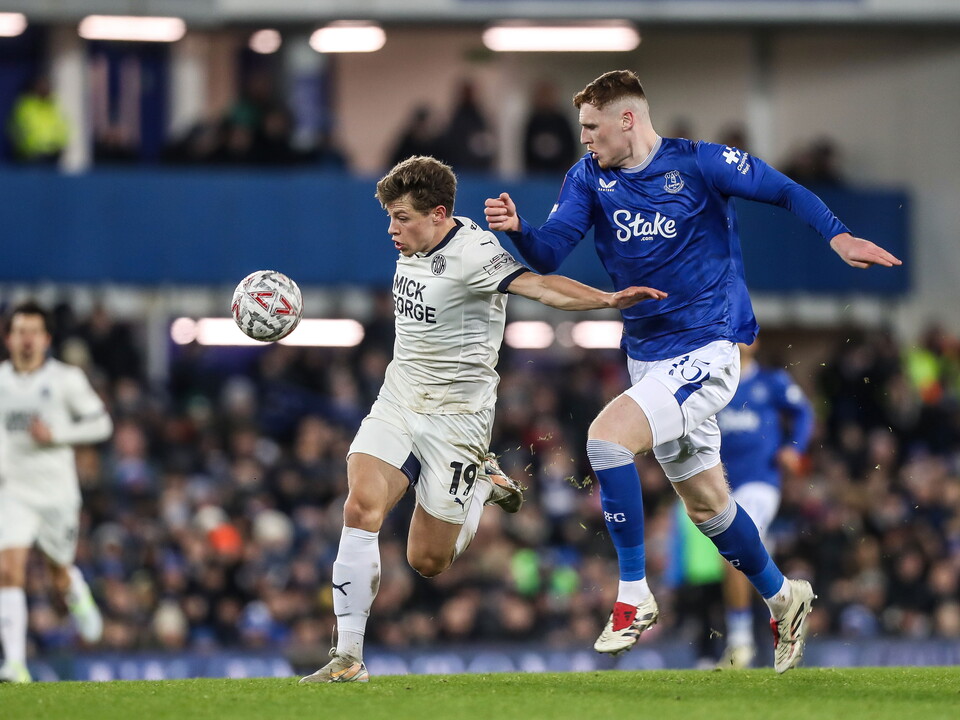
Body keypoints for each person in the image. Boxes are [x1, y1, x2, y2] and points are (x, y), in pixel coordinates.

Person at [484, 69, 901, 674]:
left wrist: (838, 236)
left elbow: (784, 189)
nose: (585, 140)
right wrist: (520, 229)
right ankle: (786, 599)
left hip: (709, 348)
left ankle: (633, 595)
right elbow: (550, 252)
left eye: (592, 128)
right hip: (648, 357)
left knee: (605, 441)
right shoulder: (587, 178)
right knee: (710, 510)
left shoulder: (702, 164)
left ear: (628, 119)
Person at [298, 155, 665, 684]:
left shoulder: (474, 252)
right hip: (399, 402)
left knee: (427, 561)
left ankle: (479, 486)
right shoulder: (413, 245)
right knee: (360, 505)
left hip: (457, 422)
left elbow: (540, 286)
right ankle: (348, 658)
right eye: (390, 217)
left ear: (439, 213)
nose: (392, 228)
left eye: (401, 217)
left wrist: (607, 299)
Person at [0, 301, 113, 683]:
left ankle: (75, 591)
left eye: (34, 331)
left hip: (56, 493)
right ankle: (15, 663)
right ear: (9, 338)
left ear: (46, 339)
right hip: (12, 490)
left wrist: (57, 436)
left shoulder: (66, 379)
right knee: (7, 569)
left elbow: (101, 424)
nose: (27, 339)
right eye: (20, 331)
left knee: (57, 571)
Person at [714, 340, 814, 669]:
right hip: (721, 487)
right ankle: (785, 608)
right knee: (734, 561)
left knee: (735, 552)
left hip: (761, 483)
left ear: (756, 342)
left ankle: (741, 643)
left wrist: (794, 448)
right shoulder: (712, 385)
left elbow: (804, 412)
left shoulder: (772, 382)